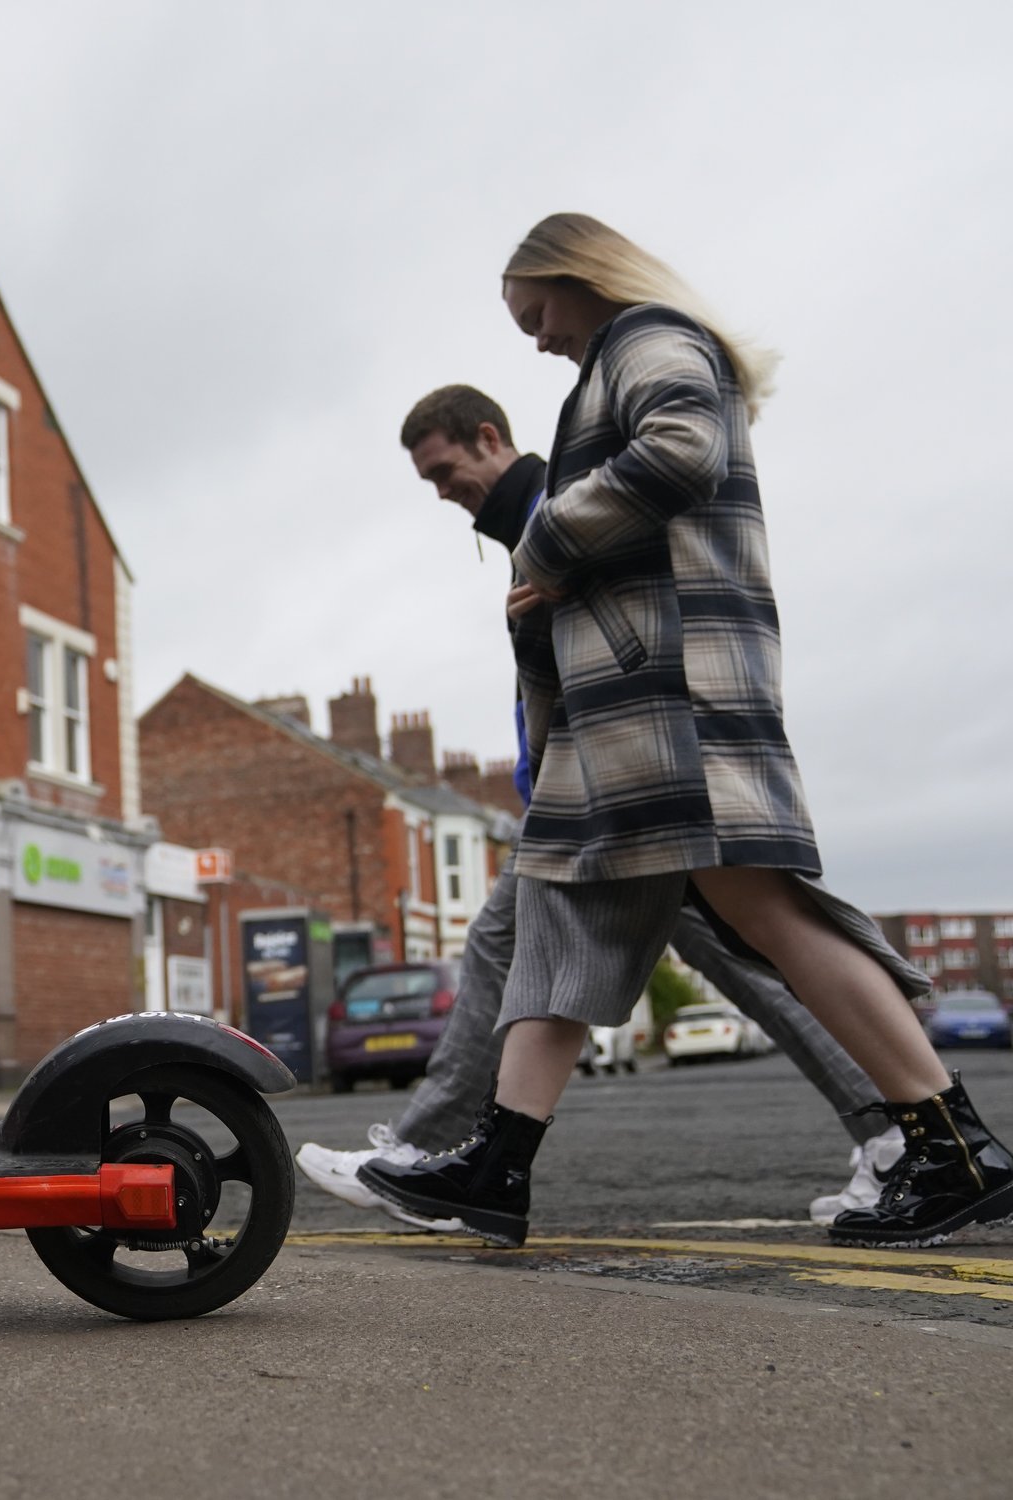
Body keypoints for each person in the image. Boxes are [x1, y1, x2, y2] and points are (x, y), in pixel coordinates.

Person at [357, 214, 1012, 1250]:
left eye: (536, 316)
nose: (533, 341)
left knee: (766, 912)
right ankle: (498, 1162)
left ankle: (950, 1144)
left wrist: (547, 541)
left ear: (580, 279)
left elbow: (680, 451)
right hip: (629, 696)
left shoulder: (650, 337)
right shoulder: (613, 361)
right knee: (559, 917)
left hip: (674, 685)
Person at [296, 386, 901, 1229]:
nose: (441, 492)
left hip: (615, 786)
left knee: (527, 949)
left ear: (487, 437)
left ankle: (429, 1158)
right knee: (744, 964)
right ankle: (894, 1133)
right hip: (597, 787)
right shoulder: (526, 525)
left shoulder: (559, 506)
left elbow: (623, 625)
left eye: (444, 471)